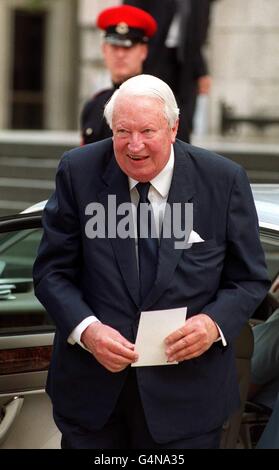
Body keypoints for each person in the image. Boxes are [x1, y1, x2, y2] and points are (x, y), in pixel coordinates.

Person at [33, 74, 269, 449]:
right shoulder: (78, 171)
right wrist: (89, 331)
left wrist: (212, 324)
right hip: (92, 401)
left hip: (188, 401)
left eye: (147, 130)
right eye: (123, 131)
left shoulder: (222, 181)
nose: (135, 145)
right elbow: (51, 272)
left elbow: (249, 279)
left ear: (173, 128)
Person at [123, 0, 217, 142]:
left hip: (185, 64)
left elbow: (200, 37)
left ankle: (180, 161)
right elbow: (130, 17)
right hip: (151, 59)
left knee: (183, 122)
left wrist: (202, 71)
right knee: (149, 118)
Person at [80, 5, 157, 145]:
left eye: (128, 47)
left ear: (143, 51)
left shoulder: (160, 104)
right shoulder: (93, 106)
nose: (120, 55)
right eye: (114, 47)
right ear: (104, 49)